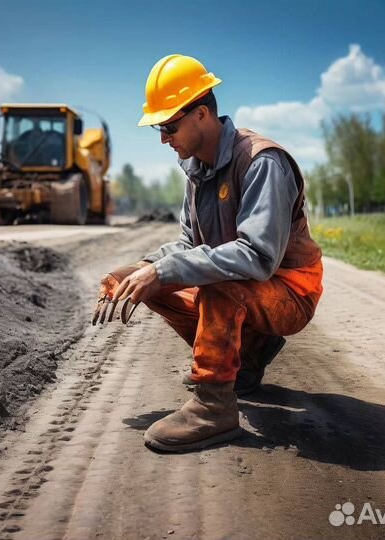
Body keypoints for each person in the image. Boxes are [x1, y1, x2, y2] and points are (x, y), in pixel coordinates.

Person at [93, 54, 323, 453]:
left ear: (201, 114)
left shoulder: (262, 161)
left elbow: (257, 257)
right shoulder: (197, 171)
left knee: (217, 284)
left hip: (289, 291)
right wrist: (144, 268)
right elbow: (188, 246)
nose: (164, 138)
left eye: (169, 125)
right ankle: (249, 357)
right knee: (152, 282)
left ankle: (213, 406)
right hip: (252, 287)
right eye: (159, 129)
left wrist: (165, 270)